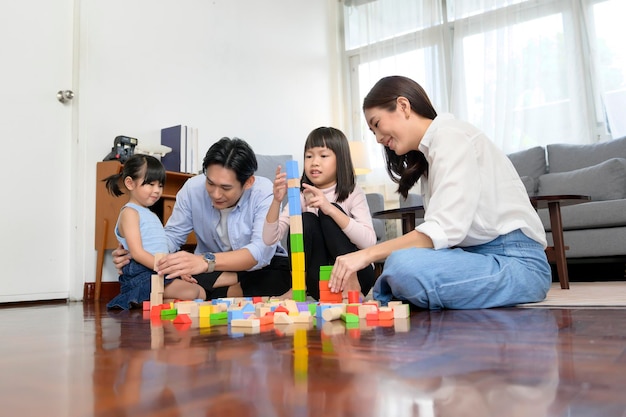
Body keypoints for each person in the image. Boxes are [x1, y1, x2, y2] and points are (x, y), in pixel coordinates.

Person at [328, 75, 552, 309]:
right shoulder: (430, 154)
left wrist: (364, 256)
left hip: (518, 263)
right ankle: (390, 296)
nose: (377, 138)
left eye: (376, 124)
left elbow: (445, 228)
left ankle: (387, 296)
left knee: (403, 266)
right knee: (404, 265)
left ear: (403, 106)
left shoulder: (450, 136)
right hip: (476, 258)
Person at [112, 137, 291, 299]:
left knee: (278, 274)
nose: (216, 194)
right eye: (210, 183)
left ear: (248, 182)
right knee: (184, 272)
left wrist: (205, 262)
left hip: (253, 267)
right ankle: (229, 289)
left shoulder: (263, 191)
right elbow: (172, 237)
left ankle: (217, 290)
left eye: (226, 188)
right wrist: (139, 252)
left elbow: (259, 253)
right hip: (208, 268)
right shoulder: (193, 188)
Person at [263, 127, 377, 300]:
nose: (314, 162)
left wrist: (329, 208)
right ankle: (297, 287)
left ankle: (351, 284)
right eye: (309, 156)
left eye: (323, 156)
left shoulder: (353, 192)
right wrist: (277, 201)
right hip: (320, 282)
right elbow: (269, 239)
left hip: (358, 276)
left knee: (328, 213)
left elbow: (369, 242)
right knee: (306, 219)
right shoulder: (301, 195)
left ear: (341, 160)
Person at [103, 154, 205, 309]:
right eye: (150, 184)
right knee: (194, 293)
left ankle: (149, 303)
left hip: (157, 270)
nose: (157, 190)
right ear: (130, 183)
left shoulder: (150, 214)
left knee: (200, 294)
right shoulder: (129, 213)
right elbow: (137, 253)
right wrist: (172, 269)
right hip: (142, 273)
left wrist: (177, 270)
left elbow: (160, 249)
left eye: (160, 185)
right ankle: (140, 298)